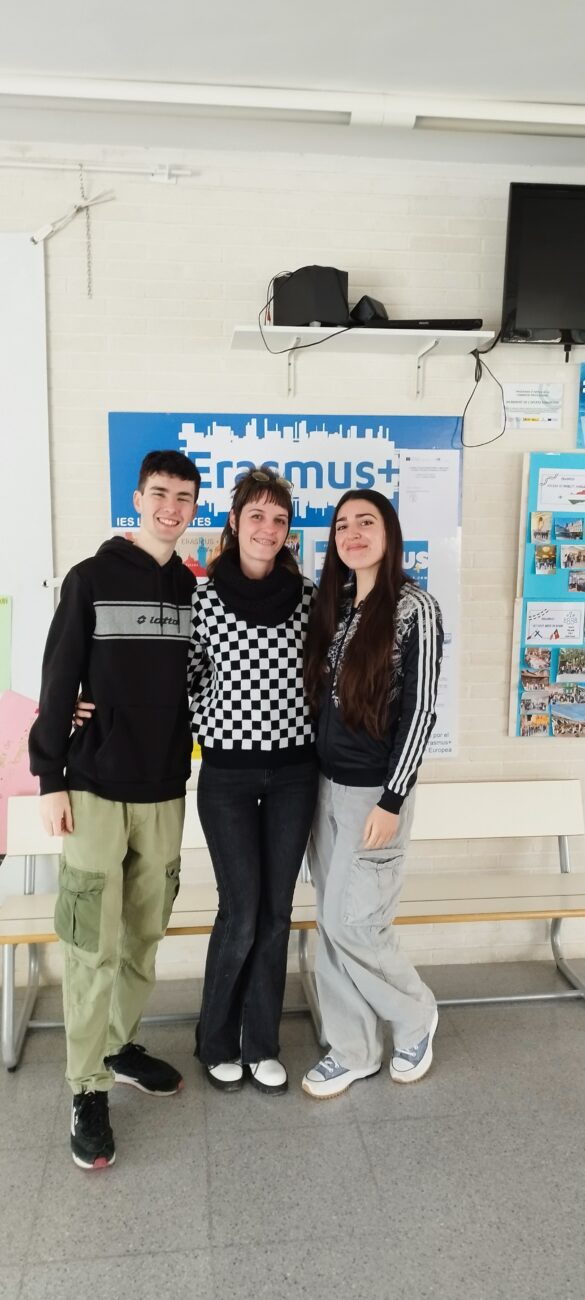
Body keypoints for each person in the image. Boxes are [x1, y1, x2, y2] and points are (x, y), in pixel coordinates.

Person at [28, 450, 201, 1168]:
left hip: (164, 790)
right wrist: (50, 776)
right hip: (95, 790)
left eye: (184, 497)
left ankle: (119, 1046)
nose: (170, 507)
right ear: (137, 498)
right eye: (159, 493)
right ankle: (86, 1087)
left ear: (194, 508)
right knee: (91, 947)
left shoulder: (191, 589)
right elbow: (57, 676)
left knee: (143, 937)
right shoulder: (90, 578)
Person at [300, 488, 443, 1100]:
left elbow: (421, 709)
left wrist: (392, 798)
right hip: (323, 788)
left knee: (355, 923)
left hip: (373, 796)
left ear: (390, 535)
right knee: (331, 926)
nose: (352, 534)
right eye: (342, 526)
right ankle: (352, 1049)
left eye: (366, 522)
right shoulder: (335, 606)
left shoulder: (415, 608)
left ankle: (415, 1016)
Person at [188, 467, 319, 1096]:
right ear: (235, 522)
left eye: (279, 518)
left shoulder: (310, 597)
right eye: (257, 515)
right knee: (240, 911)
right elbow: (186, 677)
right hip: (227, 777)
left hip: (295, 773)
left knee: (276, 912)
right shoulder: (202, 598)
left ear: (288, 531)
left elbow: (323, 675)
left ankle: (261, 1042)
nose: (268, 528)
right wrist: (214, 721)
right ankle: (215, 1039)